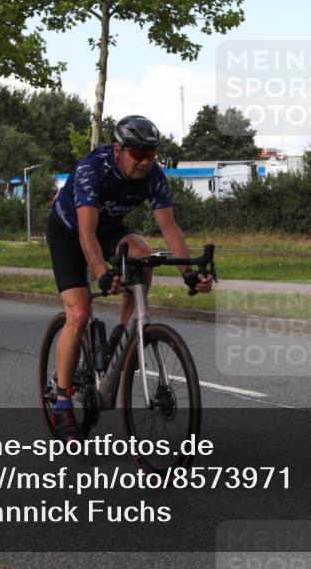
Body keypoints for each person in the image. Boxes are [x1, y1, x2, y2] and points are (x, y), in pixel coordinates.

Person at [45, 115, 213, 441]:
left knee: (143, 254)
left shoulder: (154, 175)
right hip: (70, 232)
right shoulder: (92, 170)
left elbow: (169, 228)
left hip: (109, 231)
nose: (146, 162)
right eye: (138, 155)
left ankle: (123, 333)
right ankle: (63, 401)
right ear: (119, 149)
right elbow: (85, 234)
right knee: (78, 313)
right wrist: (102, 274)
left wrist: (189, 273)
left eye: (152, 155)